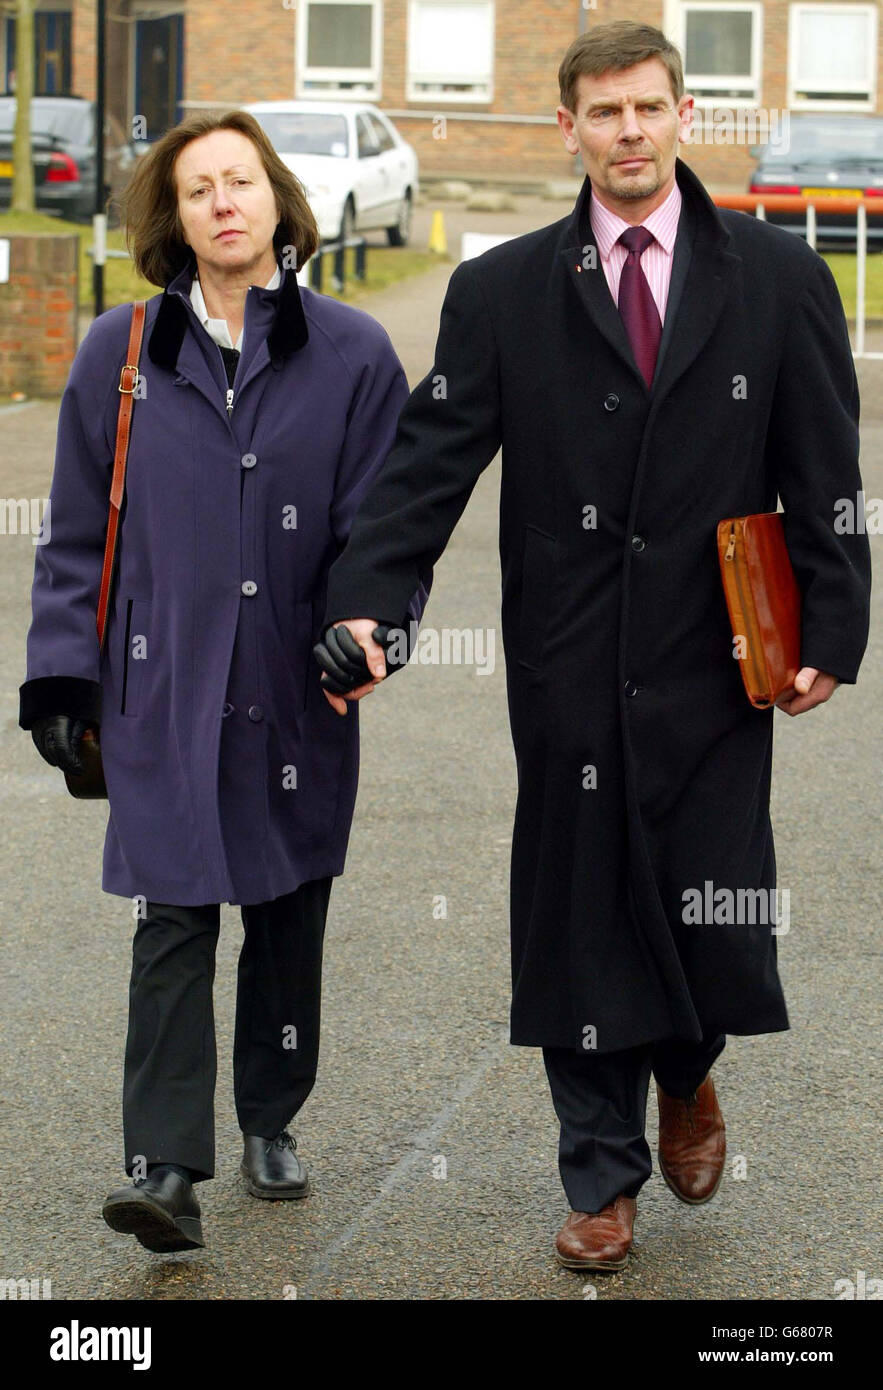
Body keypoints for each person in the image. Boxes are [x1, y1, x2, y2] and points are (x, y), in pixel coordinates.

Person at [313, 21, 872, 1271]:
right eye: (602, 112)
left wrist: (833, 619)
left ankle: (689, 1069)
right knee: (576, 902)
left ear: (683, 117)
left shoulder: (780, 278)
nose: (627, 131)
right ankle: (600, 1175)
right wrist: (369, 599)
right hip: (566, 650)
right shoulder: (501, 289)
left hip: (724, 650)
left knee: (703, 895)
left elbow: (822, 466)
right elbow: (428, 464)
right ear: (565, 127)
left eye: (647, 108)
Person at [19, 110, 427, 1254]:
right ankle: (163, 1165)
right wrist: (60, 677)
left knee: (288, 911)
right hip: (163, 687)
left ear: (277, 200)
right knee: (170, 918)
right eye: (196, 190)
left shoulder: (350, 354)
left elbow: (383, 531)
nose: (220, 204)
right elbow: (73, 536)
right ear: (175, 218)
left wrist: (373, 628)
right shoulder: (119, 352)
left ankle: (271, 1115)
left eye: (237, 181)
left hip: (299, 687)